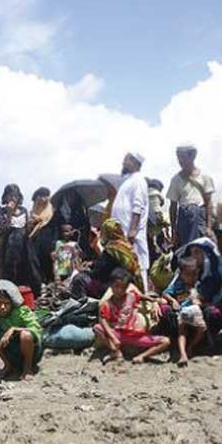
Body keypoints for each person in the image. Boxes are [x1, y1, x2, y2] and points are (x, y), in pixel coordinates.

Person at [95, 268, 170, 364]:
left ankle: (141, 357)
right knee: (97, 328)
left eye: (123, 287)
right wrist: (113, 338)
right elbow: (103, 321)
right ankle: (116, 352)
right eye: (116, 286)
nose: (119, 290)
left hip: (136, 336)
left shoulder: (132, 296)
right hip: (118, 335)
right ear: (111, 285)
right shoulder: (107, 304)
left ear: (127, 288)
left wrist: (154, 300)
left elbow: (142, 297)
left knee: (165, 341)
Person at [0, 280, 44, 380]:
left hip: (32, 354)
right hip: (12, 354)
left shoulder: (21, 311)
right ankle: (7, 365)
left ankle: (27, 367)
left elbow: (37, 329)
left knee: (26, 335)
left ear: (12, 304)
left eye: (6, 303)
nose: (2, 307)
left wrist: (14, 329)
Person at [72, 218, 143, 299]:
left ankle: (81, 304)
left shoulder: (111, 250)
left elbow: (99, 273)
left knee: (79, 278)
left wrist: (83, 270)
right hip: (129, 282)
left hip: (111, 285)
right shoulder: (126, 247)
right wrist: (93, 263)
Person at [111, 152, 151, 291]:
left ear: (134, 161)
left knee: (138, 267)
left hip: (131, 235)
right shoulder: (129, 181)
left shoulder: (139, 180)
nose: (123, 162)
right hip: (123, 236)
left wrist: (132, 230)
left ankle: (145, 301)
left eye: (126, 159)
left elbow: (137, 206)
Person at [162, 257, 208, 365]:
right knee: (182, 330)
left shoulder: (199, 284)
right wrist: (173, 300)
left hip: (197, 312)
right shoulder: (177, 283)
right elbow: (165, 293)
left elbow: (206, 298)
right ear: (181, 274)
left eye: (193, 274)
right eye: (187, 275)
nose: (191, 277)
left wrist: (200, 302)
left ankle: (191, 346)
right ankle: (183, 354)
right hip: (183, 311)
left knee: (201, 329)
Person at [168, 145, 215, 247]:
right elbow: (173, 207)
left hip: (200, 218)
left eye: (183, 157)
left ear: (192, 156)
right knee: (187, 251)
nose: (180, 161)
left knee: (202, 250)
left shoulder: (205, 177)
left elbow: (209, 203)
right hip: (184, 220)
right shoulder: (175, 180)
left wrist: (209, 227)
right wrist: (173, 230)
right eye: (178, 157)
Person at [28, 186, 54, 294]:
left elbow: (46, 220)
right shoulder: (33, 211)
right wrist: (34, 221)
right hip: (34, 240)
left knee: (46, 262)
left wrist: (39, 221)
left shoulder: (51, 208)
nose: (44, 199)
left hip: (47, 239)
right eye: (41, 196)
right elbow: (29, 225)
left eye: (46, 196)